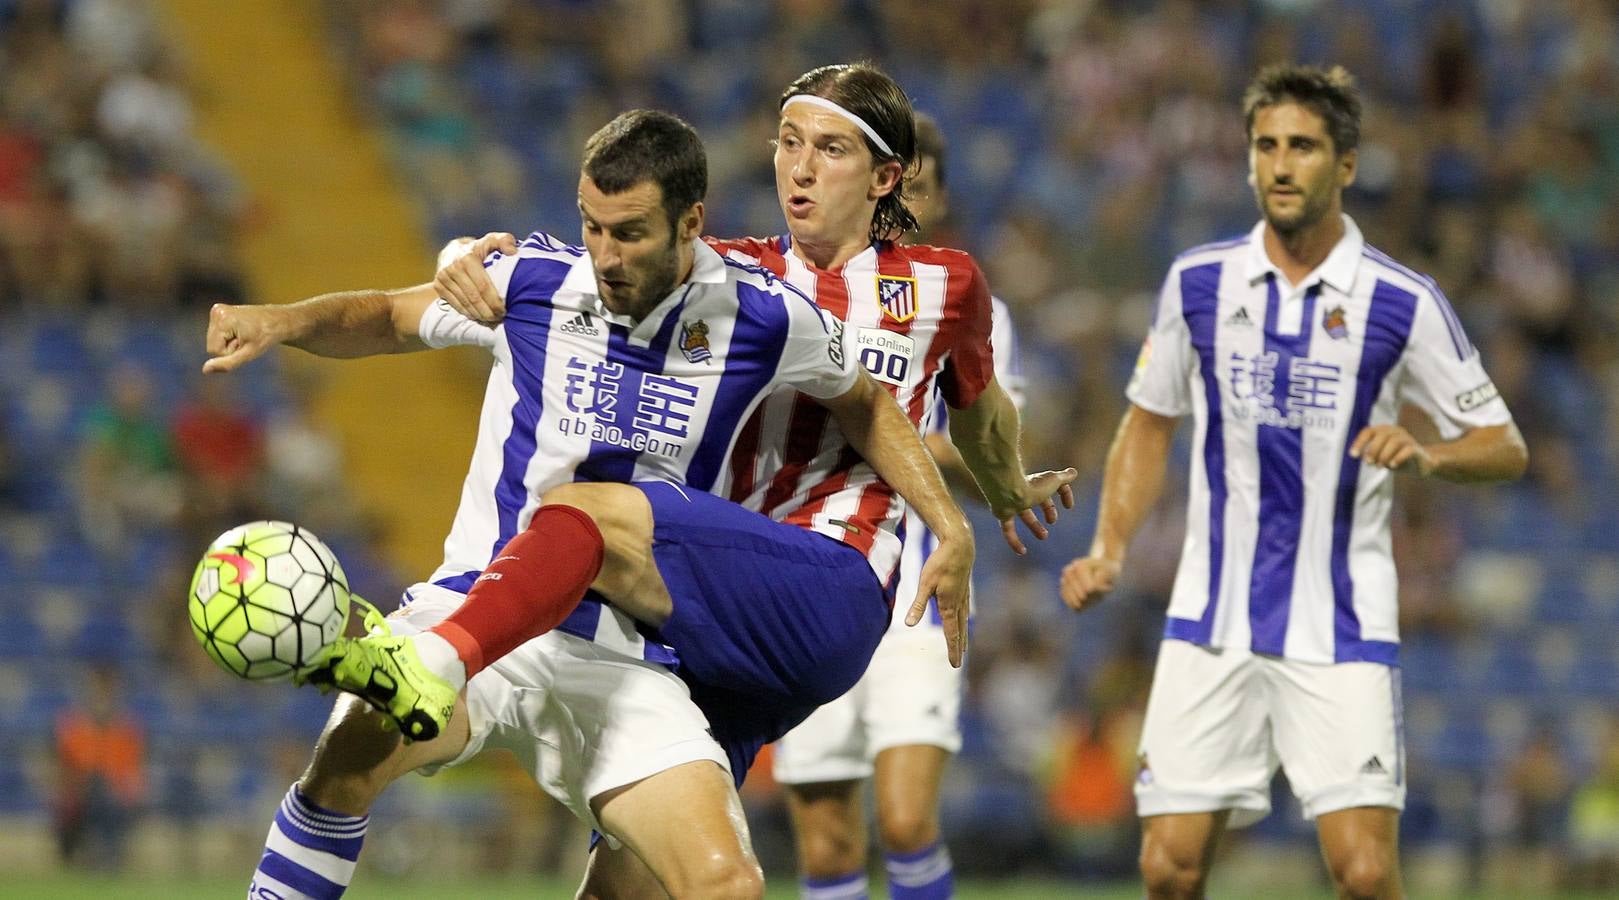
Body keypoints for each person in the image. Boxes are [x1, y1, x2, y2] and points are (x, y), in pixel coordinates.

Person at [209, 109, 1066, 899]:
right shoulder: (532, 279)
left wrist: (951, 521)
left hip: (621, 656)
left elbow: (869, 405)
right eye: (592, 227)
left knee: (725, 884)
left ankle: (434, 664)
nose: (606, 256)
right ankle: (428, 666)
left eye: (629, 233)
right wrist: (282, 321)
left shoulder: (761, 317)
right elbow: (387, 317)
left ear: (690, 223)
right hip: (477, 615)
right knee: (343, 764)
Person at [1058, 64, 1528, 900]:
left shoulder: (1401, 301)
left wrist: (1427, 456)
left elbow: (1502, 444)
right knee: (1166, 868)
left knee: (1363, 873)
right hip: (1210, 616)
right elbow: (1147, 420)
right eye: (1265, 146)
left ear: (1344, 165)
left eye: (1303, 147)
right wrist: (1108, 547)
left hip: (1341, 620)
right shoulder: (1197, 283)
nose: (1280, 165)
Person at [766, 112, 1024, 900]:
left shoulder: (966, 309)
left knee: (907, 822)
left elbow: (991, 471)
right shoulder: (792, 286)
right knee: (827, 841)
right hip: (802, 580)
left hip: (914, 589)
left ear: (933, 198)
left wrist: (881, 427)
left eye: (918, 186)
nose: (902, 201)